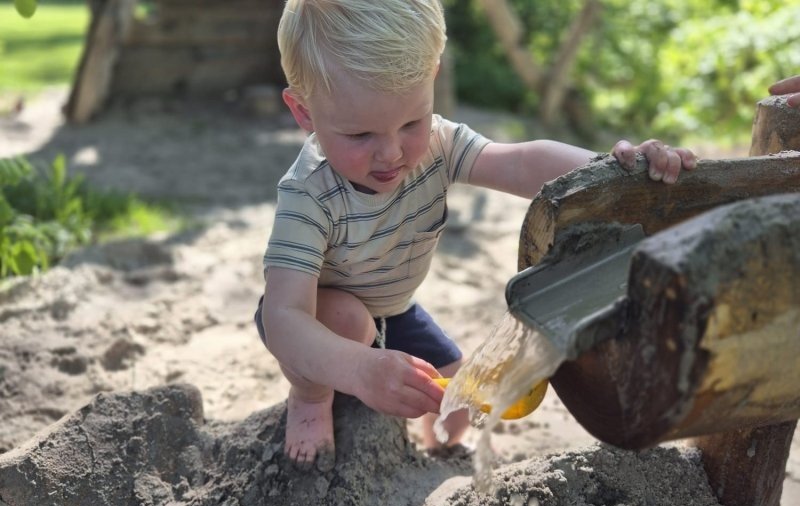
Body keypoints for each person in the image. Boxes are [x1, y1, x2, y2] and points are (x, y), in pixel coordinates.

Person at [255, 0, 697, 471]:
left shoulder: (438, 144)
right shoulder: (309, 196)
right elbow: (284, 319)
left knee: (461, 397)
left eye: (410, 123)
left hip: (394, 308)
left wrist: (609, 172)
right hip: (322, 319)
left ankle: (434, 445)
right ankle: (309, 398)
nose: (391, 153)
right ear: (304, 112)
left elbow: (522, 162)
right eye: (360, 135)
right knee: (347, 322)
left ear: (433, 79)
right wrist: (358, 370)